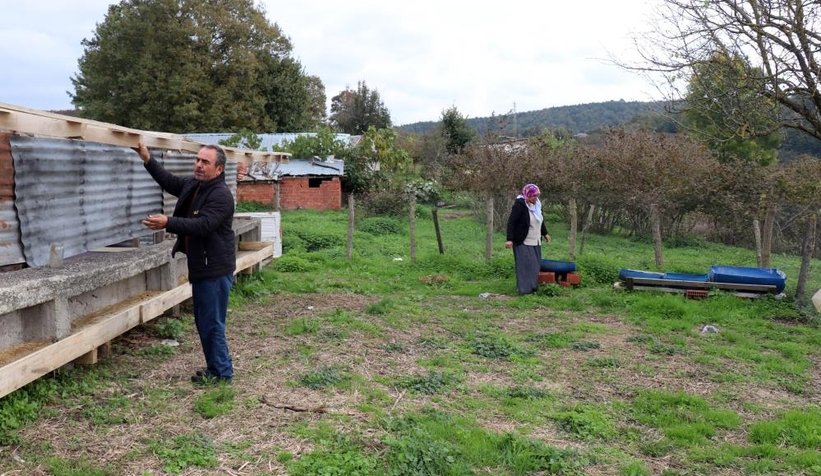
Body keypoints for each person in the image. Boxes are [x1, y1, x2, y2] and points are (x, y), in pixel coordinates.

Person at [134, 142, 236, 384]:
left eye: (205, 162)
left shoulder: (221, 195)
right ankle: (216, 368)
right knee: (205, 321)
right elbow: (169, 181)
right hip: (202, 266)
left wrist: (167, 222)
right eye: (198, 160)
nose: (199, 165)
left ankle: (222, 373)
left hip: (214, 269)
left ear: (219, 169)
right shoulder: (196, 186)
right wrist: (147, 159)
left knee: (212, 322)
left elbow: (203, 225)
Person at [505, 183, 551, 295]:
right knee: (525, 266)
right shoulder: (520, 205)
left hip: (536, 240)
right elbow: (511, 222)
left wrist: (545, 233)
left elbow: (540, 220)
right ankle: (524, 290)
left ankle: (533, 288)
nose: (535, 198)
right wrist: (510, 239)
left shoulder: (537, 205)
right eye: (532, 196)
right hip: (523, 240)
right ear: (527, 195)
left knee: (535, 266)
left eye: (536, 196)